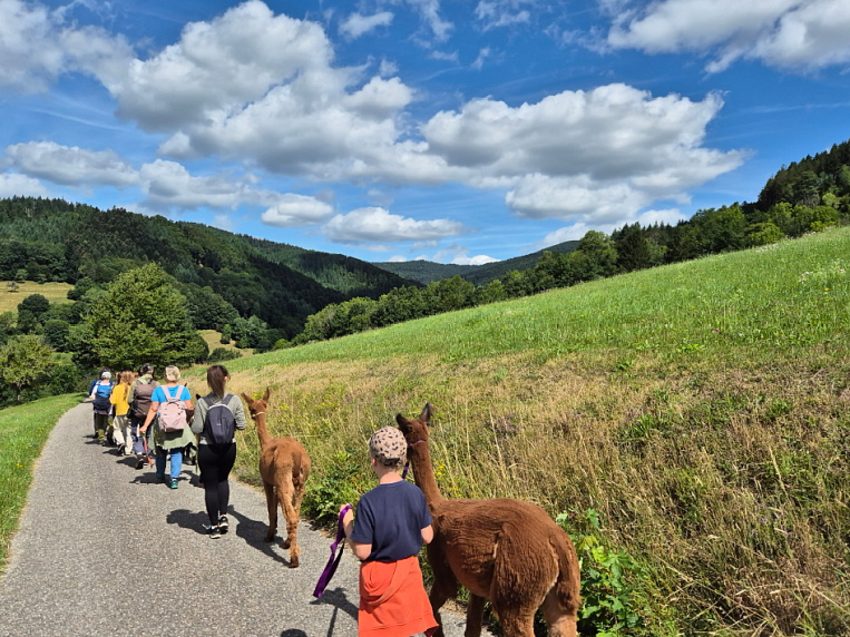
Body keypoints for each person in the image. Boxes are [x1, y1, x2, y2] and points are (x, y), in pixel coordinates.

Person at [341, 426, 438, 637]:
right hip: (409, 577)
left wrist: (347, 522)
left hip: (379, 581)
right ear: (403, 459)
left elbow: (363, 551)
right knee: (407, 629)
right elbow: (427, 536)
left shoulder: (368, 501)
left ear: (373, 461)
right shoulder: (415, 494)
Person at [191, 364, 246, 539]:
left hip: (208, 448)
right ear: (226, 378)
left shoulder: (202, 402)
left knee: (210, 486)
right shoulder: (234, 400)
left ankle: (214, 527)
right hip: (229, 447)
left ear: (208, 382)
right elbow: (242, 425)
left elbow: (197, 428)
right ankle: (223, 516)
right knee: (223, 480)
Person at [140, 365, 194, 489]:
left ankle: (160, 475)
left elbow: (153, 409)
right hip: (179, 426)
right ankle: (174, 478)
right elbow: (189, 407)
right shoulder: (183, 390)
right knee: (177, 451)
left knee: (161, 450)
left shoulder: (159, 390)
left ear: (165, 376)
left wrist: (145, 425)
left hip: (162, 425)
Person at [128, 364, 158, 469]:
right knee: (150, 434)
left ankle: (139, 453)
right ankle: (150, 455)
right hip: (152, 413)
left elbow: (129, 400)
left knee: (135, 432)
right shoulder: (155, 384)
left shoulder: (135, 383)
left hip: (137, 413)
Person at [109, 371, 133, 456]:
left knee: (117, 429)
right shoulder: (132, 387)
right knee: (129, 432)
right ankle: (128, 450)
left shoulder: (117, 388)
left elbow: (112, 401)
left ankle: (121, 442)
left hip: (120, 412)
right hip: (130, 413)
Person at [89, 370, 114, 444]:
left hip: (99, 408)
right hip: (109, 408)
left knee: (100, 424)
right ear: (109, 377)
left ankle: (101, 438)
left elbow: (92, 395)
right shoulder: (112, 385)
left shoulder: (97, 385)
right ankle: (109, 436)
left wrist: (94, 402)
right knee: (111, 424)